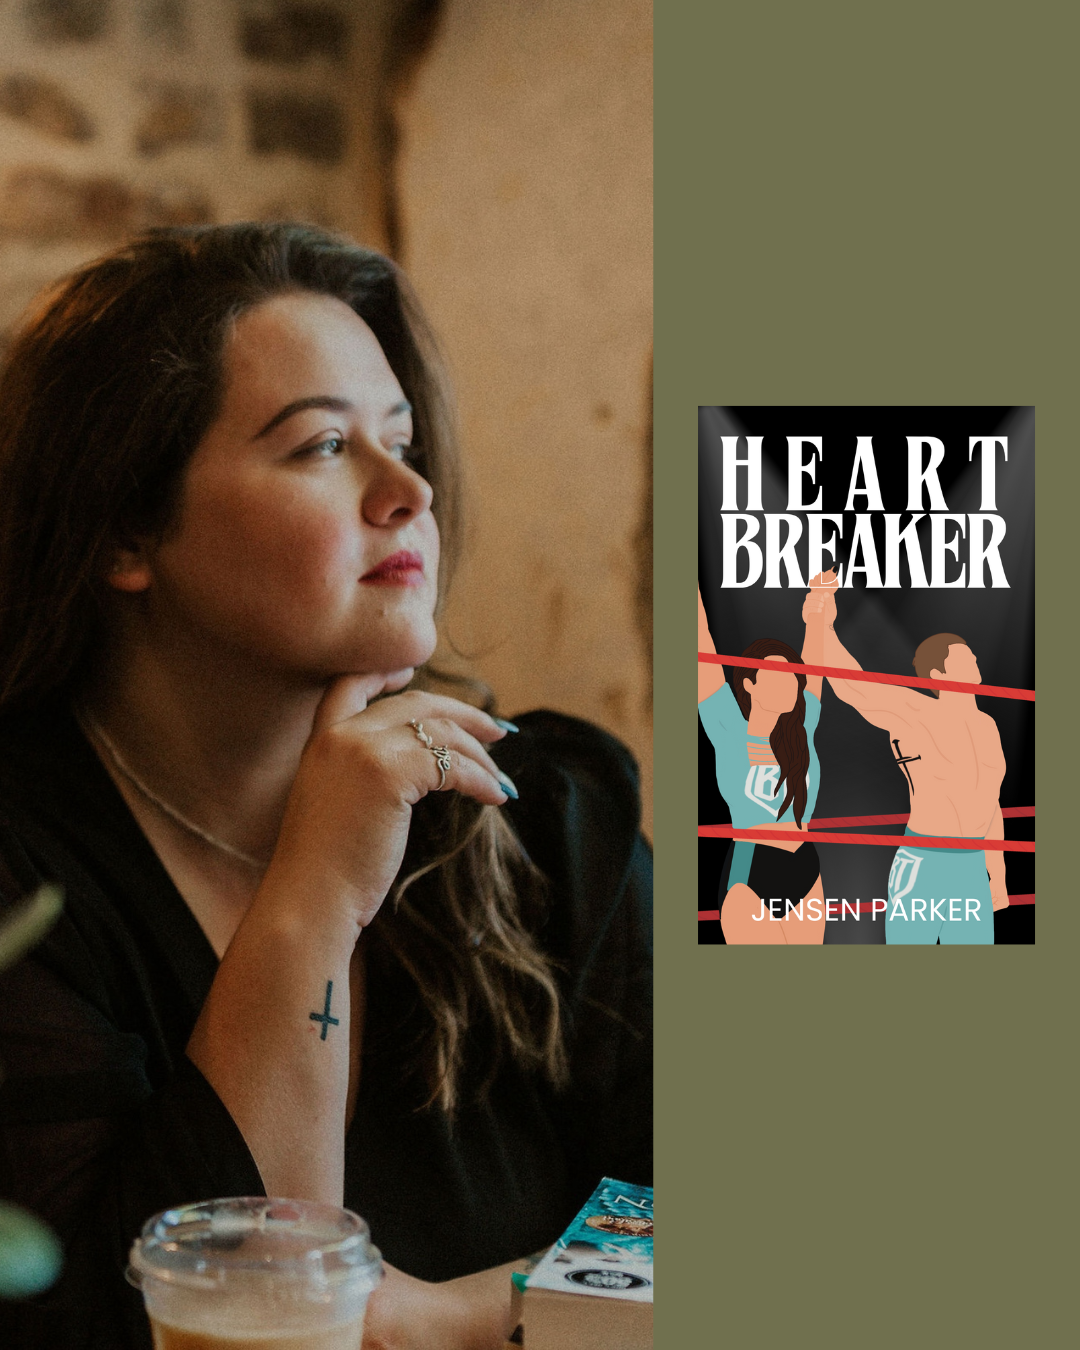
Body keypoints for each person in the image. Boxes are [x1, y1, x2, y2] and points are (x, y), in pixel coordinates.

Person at [0, 223, 651, 1348]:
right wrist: (313, 894)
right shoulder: (27, 883)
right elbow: (134, 1328)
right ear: (125, 529)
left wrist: (434, 1321)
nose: (409, 490)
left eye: (402, 439)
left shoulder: (547, 813)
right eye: (322, 446)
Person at [818, 591, 1006, 944]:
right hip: (926, 864)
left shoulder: (987, 727)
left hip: (972, 866)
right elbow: (852, 685)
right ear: (938, 673)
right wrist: (823, 624)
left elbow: (990, 800)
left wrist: (997, 873)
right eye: (964, 658)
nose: (975, 659)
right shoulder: (916, 713)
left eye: (972, 655)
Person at [697, 573, 833, 944]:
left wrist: (818, 606)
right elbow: (700, 639)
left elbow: (815, 662)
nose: (788, 684)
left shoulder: (802, 728)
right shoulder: (728, 728)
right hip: (753, 871)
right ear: (749, 684)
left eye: (791, 678)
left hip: (805, 866)